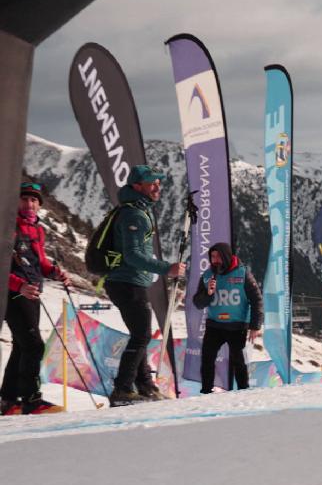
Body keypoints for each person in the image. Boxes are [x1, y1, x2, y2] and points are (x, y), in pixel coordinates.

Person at [104, 165, 185, 406]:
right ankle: (122, 389)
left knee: (139, 334)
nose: (158, 186)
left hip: (128, 282)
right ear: (138, 186)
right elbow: (133, 256)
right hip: (127, 282)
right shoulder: (134, 215)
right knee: (141, 335)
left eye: (159, 182)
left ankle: (145, 385)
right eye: (152, 182)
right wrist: (166, 268)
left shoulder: (137, 210)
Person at [1, 182, 71, 415]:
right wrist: (19, 285)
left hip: (32, 292)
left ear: (39, 205)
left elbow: (39, 262)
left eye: (34, 200)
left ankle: (8, 400)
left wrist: (54, 272)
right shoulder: (7, 226)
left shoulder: (37, 230)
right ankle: (31, 400)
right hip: (13, 293)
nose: (29, 204)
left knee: (22, 346)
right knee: (33, 345)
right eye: (24, 199)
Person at [191, 242, 263, 394]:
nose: (215, 260)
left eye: (218, 257)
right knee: (207, 357)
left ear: (226, 256)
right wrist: (208, 293)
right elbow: (198, 302)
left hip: (236, 326)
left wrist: (255, 325)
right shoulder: (207, 276)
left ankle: (244, 391)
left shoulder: (243, 273)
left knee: (238, 360)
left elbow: (256, 299)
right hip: (214, 325)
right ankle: (206, 391)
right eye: (212, 257)